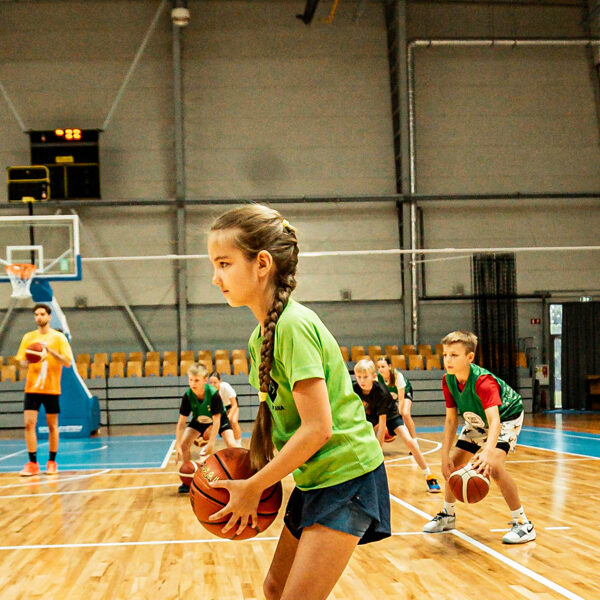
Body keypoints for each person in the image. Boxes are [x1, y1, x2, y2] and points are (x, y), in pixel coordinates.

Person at [206, 204, 390, 600]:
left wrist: (256, 486)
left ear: (262, 263)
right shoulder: (260, 339)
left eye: (224, 263)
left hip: (347, 475)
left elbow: (318, 428)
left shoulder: (295, 326)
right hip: (315, 479)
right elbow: (272, 418)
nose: (215, 277)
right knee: (275, 588)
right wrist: (242, 467)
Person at [423, 330, 535, 544]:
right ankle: (448, 515)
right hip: (477, 420)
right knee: (453, 464)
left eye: (454, 355)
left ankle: (523, 524)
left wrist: (487, 452)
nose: (448, 360)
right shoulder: (448, 381)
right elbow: (450, 420)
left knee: (492, 466)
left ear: (470, 357)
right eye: (445, 355)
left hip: (506, 417)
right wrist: (444, 454)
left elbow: (495, 421)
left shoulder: (483, 382)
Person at [353, 359, 440, 493]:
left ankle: (429, 475)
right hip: (371, 417)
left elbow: (382, 425)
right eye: (359, 377)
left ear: (374, 377)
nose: (362, 380)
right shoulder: (355, 389)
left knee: (410, 442)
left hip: (390, 415)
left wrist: (379, 452)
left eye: (365, 377)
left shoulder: (381, 392)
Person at [15, 303, 73, 476]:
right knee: (28, 424)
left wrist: (49, 352)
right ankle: (32, 464)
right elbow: (21, 361)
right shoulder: (28, 337)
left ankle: (52, 462)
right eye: (36, 314)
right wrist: (28, 361)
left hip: (51, 388)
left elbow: (67, 362)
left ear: (49, 317)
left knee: (52, 426)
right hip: (32, 387)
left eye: (42, 314)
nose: (39, 317)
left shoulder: (58, 338)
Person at [174, 362, 237, 493]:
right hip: (199, 420)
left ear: (204, 380)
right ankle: (188, 480)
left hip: (219, 420)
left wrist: (211, 443)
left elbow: (217, 420)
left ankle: (238, 476)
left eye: (196, 380)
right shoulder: (188, 395)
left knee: (232, 445)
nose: (193, 383)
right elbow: (181, 422)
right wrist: (178, 445)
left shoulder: (213, 394)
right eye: (190, 380)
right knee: (185, 445)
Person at [376, 355, 419, 445]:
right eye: (378, 367)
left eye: (383, 366)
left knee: (405, 413)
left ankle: (414, 441)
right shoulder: (377, 378)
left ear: (390, 366)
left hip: (404, 393)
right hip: (389, 396)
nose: (380, 369)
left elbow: (401, 399)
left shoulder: (397, 376)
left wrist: (397, 418)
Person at [208, 371, 242, 446]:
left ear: (220, 381)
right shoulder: (209, 391)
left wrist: (229, 416)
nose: (213, 385)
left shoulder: (226, 387)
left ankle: (238, 444)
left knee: (233, 421)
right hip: (220, 407)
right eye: (211, 382)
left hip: (231, 405)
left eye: (215, 382)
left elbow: (234, 405)